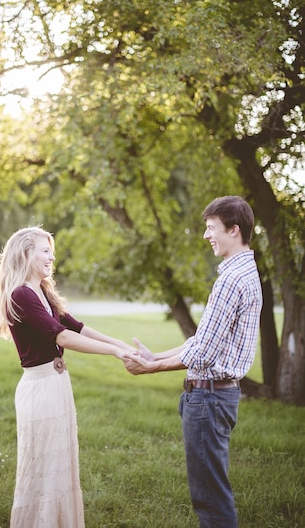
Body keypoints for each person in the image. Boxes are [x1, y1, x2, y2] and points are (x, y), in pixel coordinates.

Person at [125, 196, 263, 528]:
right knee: (212, 493)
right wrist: (155, 355)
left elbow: (203, 355)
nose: (206, 236)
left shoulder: (231, 280)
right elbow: (202, 341)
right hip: (216, 397)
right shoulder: (243, 272)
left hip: (210, 399)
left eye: (211, 228)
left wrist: (150, 368)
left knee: (211, 500)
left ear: (233, 230)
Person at [0, 226, 136, 528]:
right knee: (44, 469)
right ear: (26, 253)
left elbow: (78, 327)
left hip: (56, 385)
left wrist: (121, 345)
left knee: (60, 466)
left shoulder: (42, 292)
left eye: (51, 250)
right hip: (40, 388)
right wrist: (113, 354)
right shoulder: (21, 295)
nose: (51, 256)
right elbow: (63, 337)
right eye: (45, 250)